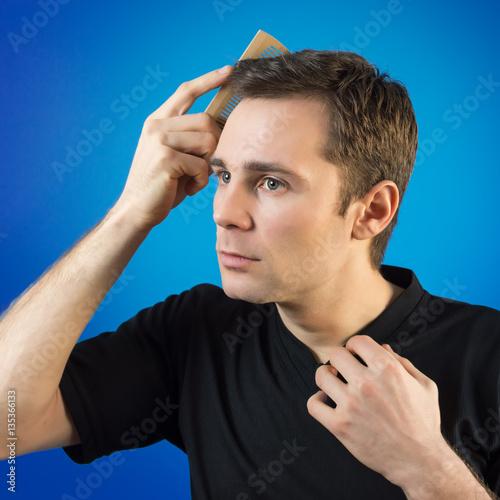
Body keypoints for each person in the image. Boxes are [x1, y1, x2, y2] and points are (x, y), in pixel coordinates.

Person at [1, 49, 499, 499]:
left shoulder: (488, 354)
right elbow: (8, 424)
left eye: (271, 182)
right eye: (222, 175)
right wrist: (129, 214)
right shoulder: (198, 330)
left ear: (371, 210)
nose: (224, 212)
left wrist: (427, 469)